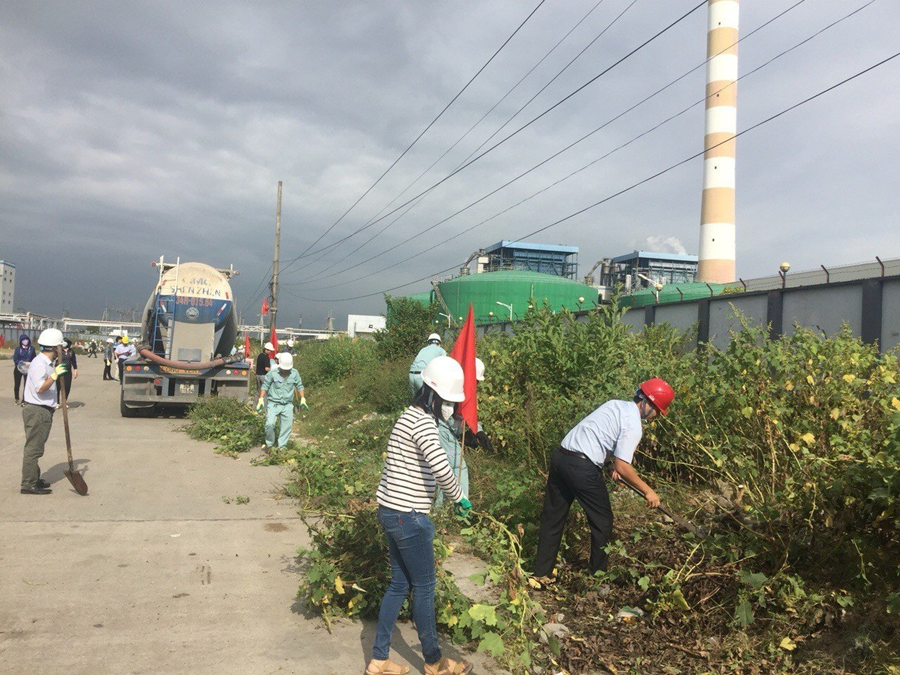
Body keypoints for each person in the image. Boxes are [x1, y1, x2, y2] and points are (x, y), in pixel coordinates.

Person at [367, 356, 473, 675]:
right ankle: (434, 662)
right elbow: (440, 466)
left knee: (399, 585)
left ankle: (379, 659)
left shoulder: (407, 416)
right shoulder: (425, 424)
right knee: (425, 587)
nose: (449, 407)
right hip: (410, 516)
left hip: (390, 511)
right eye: (448, 401)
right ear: (435, 395)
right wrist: (459, 498)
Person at [532, 378, 675, 582]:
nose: (655, 417)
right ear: (648, 404)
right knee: (603, 521)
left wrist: (608, 465)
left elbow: (599, 436)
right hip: (582, 467)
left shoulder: (614, 404)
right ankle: (597, 576)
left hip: (561, 457)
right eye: (657, 412)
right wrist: (648, 491)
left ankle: (541, 573)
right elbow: (624, 467)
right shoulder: (634, 425)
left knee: (553, 518)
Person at [20, 328, 67, 495]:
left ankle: (34, 478)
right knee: (33, 448)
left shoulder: (45, 363)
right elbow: (40, 388)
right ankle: (28, 484)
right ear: (55, 348)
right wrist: (54, 376)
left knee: (36, 446)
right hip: (38, 410)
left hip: (42, 410)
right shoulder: (39, 364)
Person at [255, 352, 306, 458]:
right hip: (274, 403)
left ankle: (281, 447)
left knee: (286, 426)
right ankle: (269, 444)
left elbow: (299, 386)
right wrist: (260, 399)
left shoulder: (294, 373)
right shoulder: (273, 373)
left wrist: (303, 398)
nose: (285, 370)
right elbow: (265, 385)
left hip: (287, 404)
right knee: (269, 424)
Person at [13, 334, 36, 405]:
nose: (25, 341)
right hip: (18, 368)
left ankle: (24, 400)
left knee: (26, 385)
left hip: (27, 369)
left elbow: (34, 358)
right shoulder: (18, 349)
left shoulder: (31, 349)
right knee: (17, 384)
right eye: (23, 340)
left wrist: (31, 363)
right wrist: (22, 363)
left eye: (27, 339)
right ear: (21, 341)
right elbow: (15, 359)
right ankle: (16, 398)